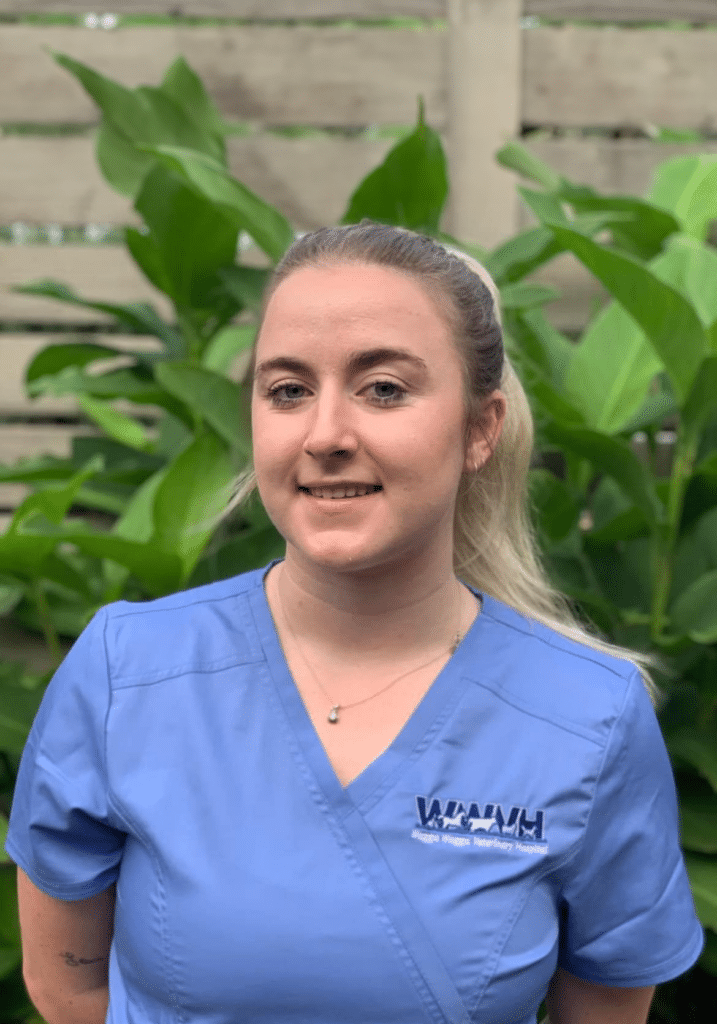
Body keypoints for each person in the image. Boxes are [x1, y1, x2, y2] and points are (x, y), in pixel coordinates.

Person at [5, 220, 704, 1024]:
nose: (326, 435)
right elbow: (67, 989)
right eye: (288, 390)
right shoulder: (128, 671)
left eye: (383, 389)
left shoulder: (588, 716)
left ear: (480, 429)